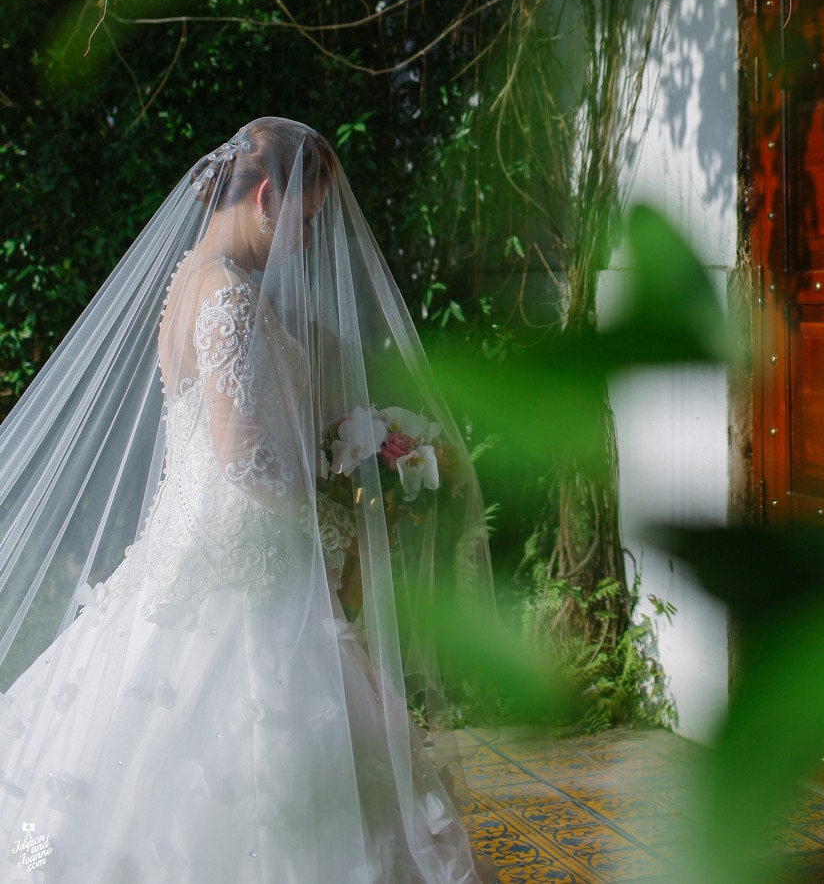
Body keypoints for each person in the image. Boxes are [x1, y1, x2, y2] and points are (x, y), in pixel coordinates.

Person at [0, 117, 496, 883]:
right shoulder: (227, 293)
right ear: (268, 197)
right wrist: (334, 514)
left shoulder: (187, 280)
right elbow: (243, 460)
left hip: (193, 562)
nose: (305, 241)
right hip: (247, 579)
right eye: (305, 218)